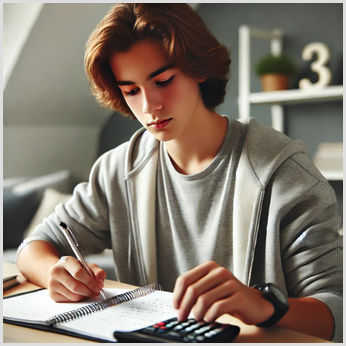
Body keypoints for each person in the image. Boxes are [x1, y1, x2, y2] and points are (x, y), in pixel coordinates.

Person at [17, 3, 342, 342]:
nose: (149, 106)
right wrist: (55, 273)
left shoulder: (286, 174)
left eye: (163, 80)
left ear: (198, 68)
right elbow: (34, 247)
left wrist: (263, 305)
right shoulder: (118, 170)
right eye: (131, 90)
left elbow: (336, 310)